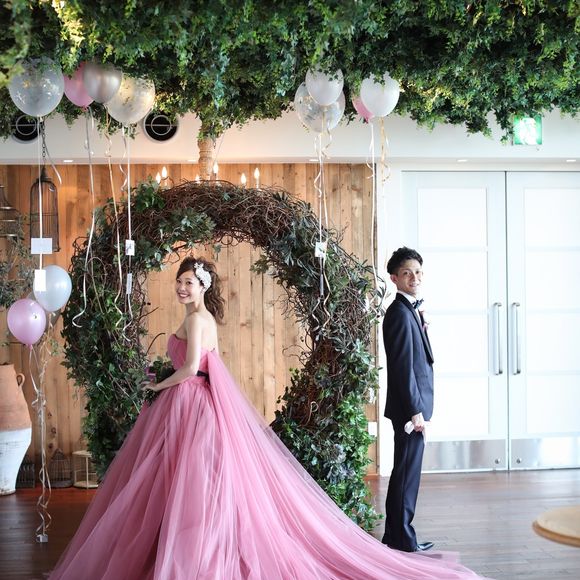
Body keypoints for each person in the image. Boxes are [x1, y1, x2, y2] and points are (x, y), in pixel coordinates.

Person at [50, 256, 480, 579]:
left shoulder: (198, 320)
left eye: (188, 282)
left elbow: (192, 368)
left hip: (188, 403)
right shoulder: (196, 317)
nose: (181, 288)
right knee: (180, 481)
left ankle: (192, 555)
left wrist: (156, 386)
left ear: (202, 286)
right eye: (179, 282)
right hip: (189, 404)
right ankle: (181, 549)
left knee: (189, 482)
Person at [381, 247, 435, 553]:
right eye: (406, 273)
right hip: (408, 409)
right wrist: (415, 411)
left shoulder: (410, 309)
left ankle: (396, 535)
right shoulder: (399, 313)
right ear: (394, 278)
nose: (414, 278)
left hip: (413, 406)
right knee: (405, 474)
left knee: (406, 472)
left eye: (418, 272)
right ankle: (402, 538)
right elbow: (402, 368)